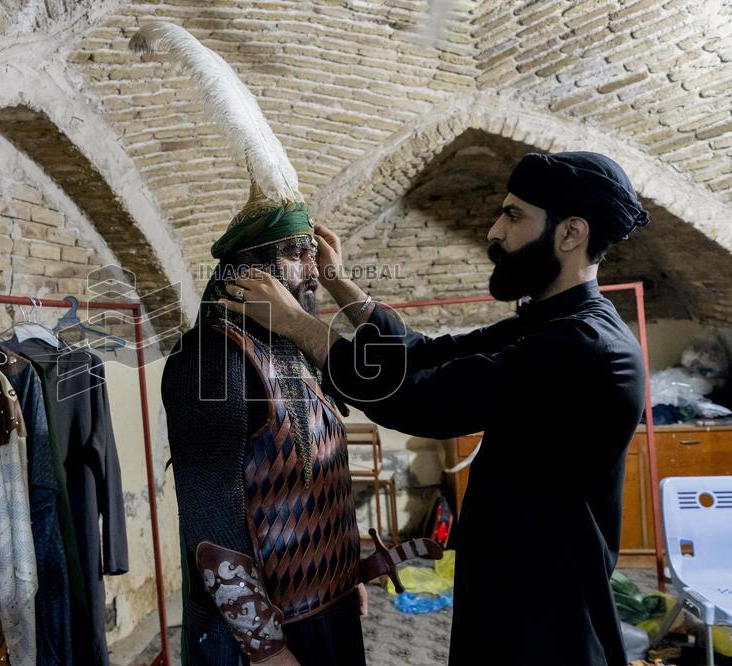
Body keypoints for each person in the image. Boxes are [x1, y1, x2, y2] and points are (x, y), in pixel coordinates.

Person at [221, 151, 650, 666]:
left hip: (546, 606)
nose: (494, 231)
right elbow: (425, 354)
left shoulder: (584, 345)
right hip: (510, 580)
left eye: (513, 216)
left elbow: (420, 401)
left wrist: (298, 324)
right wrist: (339, 281)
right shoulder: (552, 320)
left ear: (571, 233)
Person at [131, 21, 368, 666]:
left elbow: (325, 473)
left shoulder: (295, 352)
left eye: (310, 254)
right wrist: (265, 648)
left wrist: (343, 575)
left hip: (323, 607)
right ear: (246, 273)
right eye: (293, 255)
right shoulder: (211, 361)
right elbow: (211, 522)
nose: (310, 270)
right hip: (256, 638)